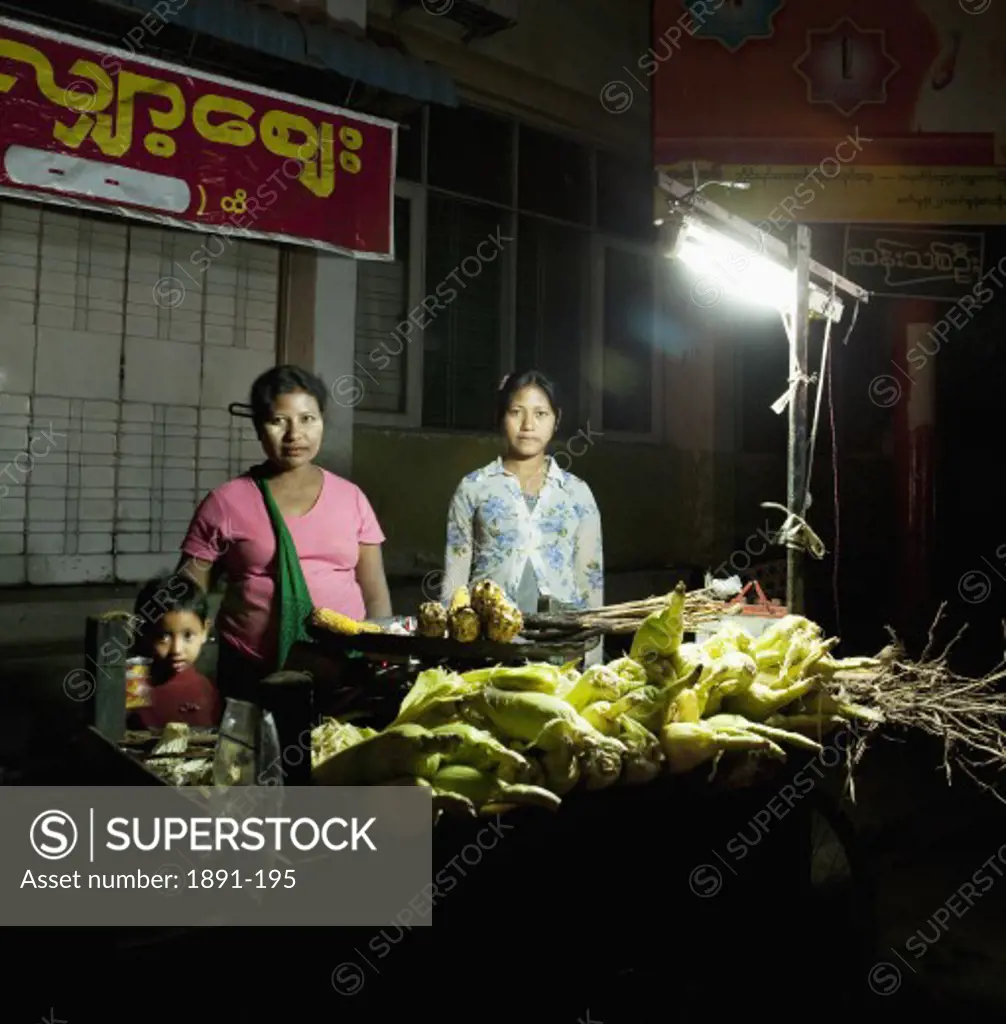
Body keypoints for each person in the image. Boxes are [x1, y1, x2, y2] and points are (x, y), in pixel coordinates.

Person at [177, 364, 392, 699]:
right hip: (251, 670)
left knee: (337, 748)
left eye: (308, 419)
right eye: (279, 421)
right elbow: (189, 594)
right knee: (255, 750)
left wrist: (381, 654)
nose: (295, 435)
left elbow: (375, 594)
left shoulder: (351, 498)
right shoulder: (226, 502)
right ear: (259, 428)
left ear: (322, 421)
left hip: (344, 668)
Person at [441, 369, 604, 635]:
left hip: (559, 641)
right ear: (501, 416)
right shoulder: (474, 487)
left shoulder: (577, 493)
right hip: (486, 640)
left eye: (540, 414)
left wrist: (592, 656)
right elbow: (454, 577)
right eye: (516, 412)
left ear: (556, 419)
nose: (528, 425)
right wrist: (448, 643)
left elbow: (591, 580)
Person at [126, 574, 222, 730]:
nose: (176, 650)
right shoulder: (135, 684)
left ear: (205, 630)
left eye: (188, 635)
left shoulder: (208, 690)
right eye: (163, 637)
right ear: (144, 632)